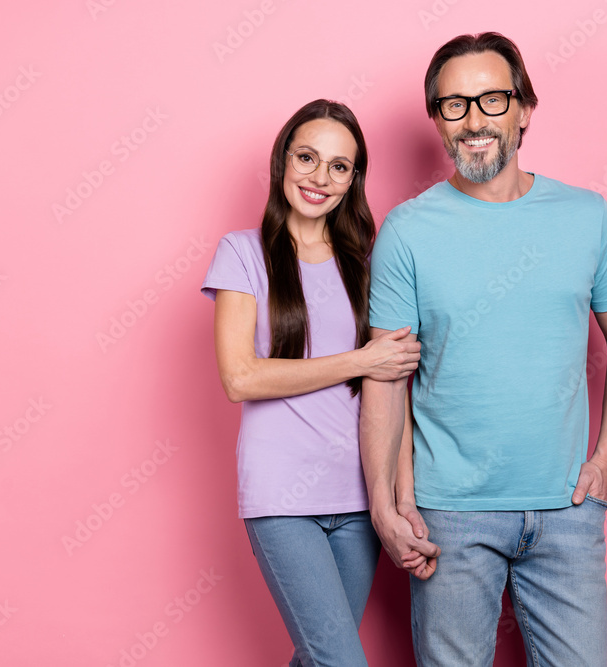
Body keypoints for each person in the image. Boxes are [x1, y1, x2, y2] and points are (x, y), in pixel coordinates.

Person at [360, 33, 607, 666]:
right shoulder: (408, 231)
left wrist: (604, 460)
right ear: (437, 120)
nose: (475, 120)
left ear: (523, 108)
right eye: (454, 104)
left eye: (493, 99)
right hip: (449, 518)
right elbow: (386, 377)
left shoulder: (588, 216)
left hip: (567, 512)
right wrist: (386, 503)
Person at [201, 99, 420, 666]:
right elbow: (240, 377)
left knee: (318, 659)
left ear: (352, 180)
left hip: (358, 499)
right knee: (340, 660)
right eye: (307, 157)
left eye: (339, 166)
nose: (320, 178)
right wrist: (361, 360)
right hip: (282, 500)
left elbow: (393, 387)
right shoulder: (242, 253)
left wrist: (398, 497)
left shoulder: (367, 265)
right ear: (282, 162)